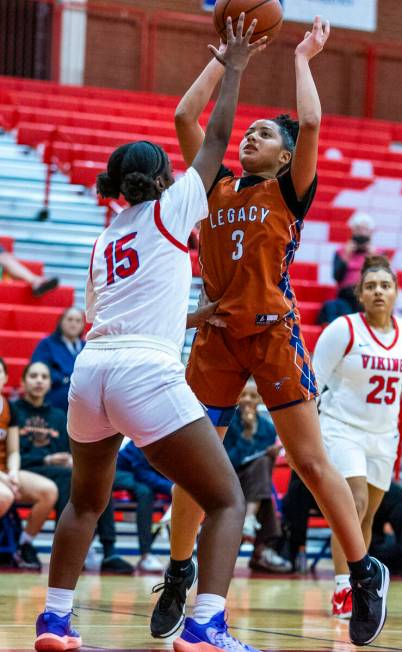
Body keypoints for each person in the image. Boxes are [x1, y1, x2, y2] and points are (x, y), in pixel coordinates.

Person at [151, 16, 390, 648]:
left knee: (311, 461)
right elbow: (184, 116)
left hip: (274, 334)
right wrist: (229, 62)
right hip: (217, 338)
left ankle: (364, 571)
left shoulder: (290, 190)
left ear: (285, 157)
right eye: (247, 131)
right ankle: (180, 572)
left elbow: (309, 124)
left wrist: (304, 58)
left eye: (262, 134)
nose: (250, 136)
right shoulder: (216, 184)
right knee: (194, 473)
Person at [34, 16, 269, 652]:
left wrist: (192, 317)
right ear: (164, 177)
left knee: (84, 503)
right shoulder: (174, 208)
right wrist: (236, 63)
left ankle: (55, 618)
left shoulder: (104, 238)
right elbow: (216, 134)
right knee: (224, 501)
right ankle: (205, 626)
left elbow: (110, 310)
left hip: (91, 373)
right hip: (144, 372)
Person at [313, 255, 402, 618]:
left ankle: (355, 585)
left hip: (383, 436)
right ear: (359, 293)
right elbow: (313, 381)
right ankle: (344, 589)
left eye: (385, 286)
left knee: (367, 515)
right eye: (370, 286)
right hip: (341, 429)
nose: (378, 292)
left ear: (396, 292)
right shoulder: (343, 329)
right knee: (352, 503)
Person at [13, 361, 134, 576]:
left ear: (50, 383)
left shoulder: (59, 416)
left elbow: (70, 451)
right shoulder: (15, 411)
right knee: (69, 479)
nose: (39, 380)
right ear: (23, 382)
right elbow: (14, 454)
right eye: (33, 376)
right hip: (27, 469)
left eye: (44, 377)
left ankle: (108, 550)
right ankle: (70, 547)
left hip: (58, 471)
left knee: (97, 479)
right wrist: (47, 459)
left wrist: (69, 459)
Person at [223, 382, 291, 573]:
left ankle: (250, 520)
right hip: (230, 478)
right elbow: (228, 459)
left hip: (254, 483)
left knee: (263, 463)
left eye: (252, 396)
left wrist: (271, 453)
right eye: (243, 395)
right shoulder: (227, 423)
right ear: (237, 398)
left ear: (260, 400)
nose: (247, 400)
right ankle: (261, 549)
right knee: (264, 495)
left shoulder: (269, 428)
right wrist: (247, 433)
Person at [0, 358, 57, 570]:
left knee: (49, 490)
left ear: (5, 377)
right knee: (4, 496)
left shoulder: (8, 407)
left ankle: (24, 543)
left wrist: (13, 473)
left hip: (6, 472)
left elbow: (14, 451)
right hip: (1, 478)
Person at [116, 440, 173, 572]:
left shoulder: (173, 438)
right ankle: (145, 555)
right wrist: (172, 488)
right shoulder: (143, 436)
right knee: (145, 492)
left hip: (140, 474)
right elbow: (143, 473)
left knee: (178, 493)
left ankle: (180, 558)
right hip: (120, 472)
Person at [317, 211, 378, 324]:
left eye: (365, 229)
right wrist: (346, 256)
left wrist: (374, 258)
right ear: (353, 230)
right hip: (346, 297)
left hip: (368, 297)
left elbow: (383, 279)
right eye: (358, 229)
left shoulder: (378, 254)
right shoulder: (341, 252)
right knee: (332, 307)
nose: (361, 233)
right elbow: (336, 277)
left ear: (370, 232)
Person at [31, 307, 85, 412]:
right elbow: (38, 368)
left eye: (78, 321)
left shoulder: (87, 347)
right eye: (70, 319)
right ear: (61, 322)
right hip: (56, 396)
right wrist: (65, 379)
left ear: (82, 325)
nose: (73, 324)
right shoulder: (47, 344)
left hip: (82, 400)